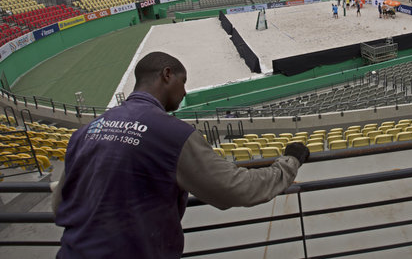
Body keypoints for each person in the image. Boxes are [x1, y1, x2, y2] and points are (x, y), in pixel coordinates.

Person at [52, 52, 309, 259]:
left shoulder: (87, 131)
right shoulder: (173, 134)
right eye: (183, 82)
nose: (185, 92)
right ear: (167, 75)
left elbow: (59, 203)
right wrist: (289, 163)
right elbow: (235, 188)